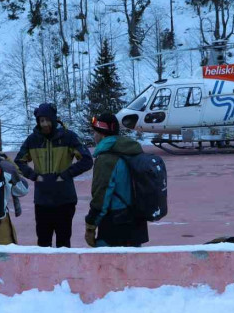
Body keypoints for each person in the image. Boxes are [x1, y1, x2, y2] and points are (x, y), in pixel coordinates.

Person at [15, 103, 93, 247]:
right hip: (42, 201)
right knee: (43, 243)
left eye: (47, 120)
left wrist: (65, 175)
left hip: (65, 200)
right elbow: (18, 161)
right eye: (41, 121)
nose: (44, 124)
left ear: (53, 119)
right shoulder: (33, 140)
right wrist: (34, 176)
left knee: (63, 243)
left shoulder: (68, 137)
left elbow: (87, 160)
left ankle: (64, 270)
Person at [84, 113, 148, 247]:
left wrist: (90, 226)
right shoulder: (132, 151)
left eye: (95, 132)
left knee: (107, 265)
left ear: (101, 134)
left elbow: (101, 196)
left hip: (114, 224)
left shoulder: (107, 158)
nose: (93, 136)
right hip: (136, 221)